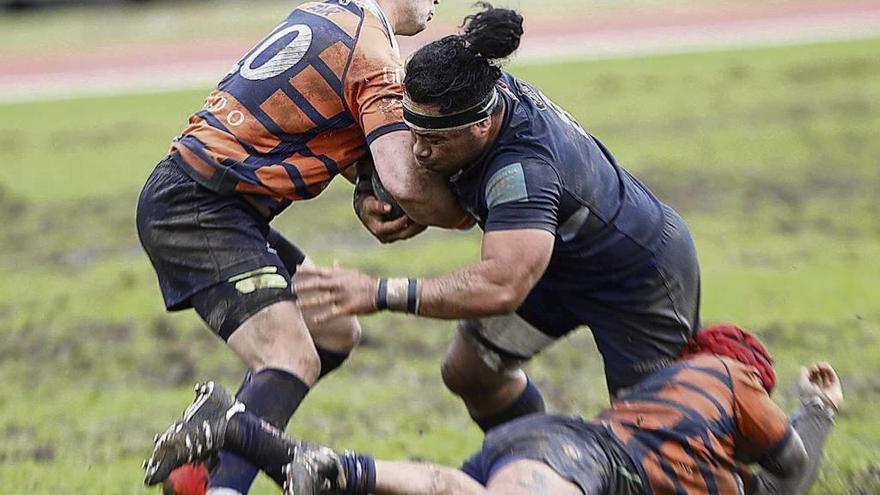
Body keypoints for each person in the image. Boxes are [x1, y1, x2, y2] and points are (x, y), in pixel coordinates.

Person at [294, 3, 702, 434]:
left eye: (435, 140)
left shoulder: (523, 171)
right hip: (551, 262)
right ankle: (539, 462)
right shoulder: (468, 82)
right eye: (415, 131)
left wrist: (379, 292)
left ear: (483, 126)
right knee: (472, 372)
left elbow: (502, 285)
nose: (419, 152)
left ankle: (774, 462)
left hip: (637, 277)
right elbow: (391, 147)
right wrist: (369, 190)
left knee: (658, 439)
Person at [135, 1, 466, 494]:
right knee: (290, 355)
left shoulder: (333, 13)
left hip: (222, 202)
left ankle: (212, 456)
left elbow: (334, 137)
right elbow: (407, 185)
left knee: (332, 326)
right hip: (201, 205)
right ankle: (227, 477)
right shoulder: (374, 55)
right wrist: (477, 216)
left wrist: (365, 190)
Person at [143, 324, 844, 495]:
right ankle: (281, 447)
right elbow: (791, 470)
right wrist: (815, 406)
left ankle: (245, 432)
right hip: (582, 460)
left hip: (550, 439)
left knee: (443, 488)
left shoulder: (674, 421)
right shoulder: (725, 376)